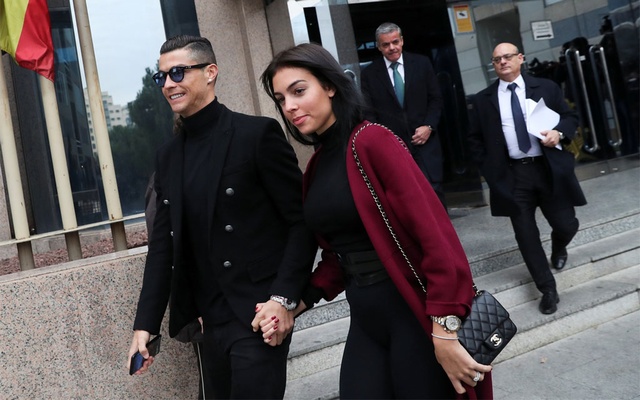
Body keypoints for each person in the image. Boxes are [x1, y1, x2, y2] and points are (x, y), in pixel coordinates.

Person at [257, 42, 492, 399]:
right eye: (280, 99)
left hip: (414, 313)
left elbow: (436, 237)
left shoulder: (373, 141)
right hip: (366, 320)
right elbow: (339, 258)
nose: (289, 106)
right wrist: (289, 304)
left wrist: (444, 328)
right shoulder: (316, 166)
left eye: (298, 91)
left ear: (330, 85)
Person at [128, 35, 315, 399]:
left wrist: (283, 298)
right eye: (161, 76)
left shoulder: (256, 135)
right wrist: (144, 325)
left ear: (210, 72)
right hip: (208, 323)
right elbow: (163, 247)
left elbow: (301, 221)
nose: (168, 84)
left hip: (259, 314)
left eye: (178, 72)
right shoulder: (168, 156)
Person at [467, 43, 587, 315]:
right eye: (497, 59)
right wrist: (490, 171)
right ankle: (547, 289)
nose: (502, 62)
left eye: (507, 56)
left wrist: (559, 133)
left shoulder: (545, 87)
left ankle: (559, 245)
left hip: (547, 169)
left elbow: (570, 116)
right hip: (512, 175)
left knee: (566, 224)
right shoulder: (483, 99)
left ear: (520, 58)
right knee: (526, 235)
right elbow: (474, 139)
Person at [360, 22, 446, 208]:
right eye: (386, 44)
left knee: (434, 194)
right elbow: (369, 113)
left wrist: (429, 126)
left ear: (402, 41)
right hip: (393, 149)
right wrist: (385, 140)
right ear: (378, 47)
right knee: (407, 200)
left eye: (395, 42)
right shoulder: (369, 74)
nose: (392, 48)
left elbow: (436, 99)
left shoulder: (421, 63)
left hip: (426, 144)